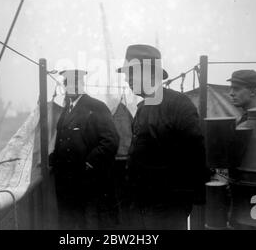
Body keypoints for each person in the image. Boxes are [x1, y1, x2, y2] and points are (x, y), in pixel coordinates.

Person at [116, 44, 208, 230]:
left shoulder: (178, 104)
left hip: (168, 207)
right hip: (142, 204)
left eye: (131, 73)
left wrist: (189, 200)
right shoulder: (142, 108)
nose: (127, 80)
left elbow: (195, 154)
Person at [49, 69, 120, 229]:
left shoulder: (96, 107)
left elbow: (111, 140)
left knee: (88, 223)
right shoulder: (66, 110)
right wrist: (52, 159)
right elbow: (62, 141)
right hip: (66, 182)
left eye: (75, 83)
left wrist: (90, 163)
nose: (71, 87)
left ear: (82, 85)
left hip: (88, 182)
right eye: (67, 84)